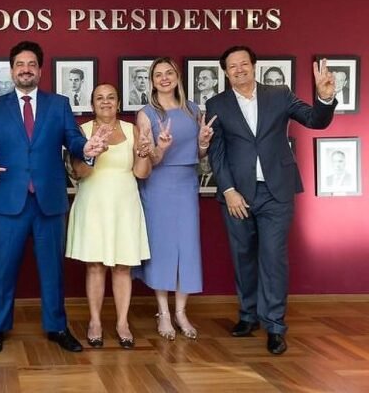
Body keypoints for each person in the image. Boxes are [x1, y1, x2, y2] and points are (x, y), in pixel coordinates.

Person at [0, 40, 109, 354]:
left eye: (31, 64)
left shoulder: (58, 104)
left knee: (52, 271)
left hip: (49, 201)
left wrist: (88, 149)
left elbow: (74, 140)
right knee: (3, 270)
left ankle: (57, 327)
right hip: (9, 202)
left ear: (40, 70)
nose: (25, 69)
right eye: (20, 64)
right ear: (12, 70)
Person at [206, 45, 336, 355]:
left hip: (277, 191)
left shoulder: (279, 94)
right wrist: (228, 190)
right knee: (243, 257)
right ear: (225, 72)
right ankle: (248, 316)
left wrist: (324, 98)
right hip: (237, 194)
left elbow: (315, 121)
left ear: (254, 66)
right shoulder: (216, 104)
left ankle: (275, 326)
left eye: (244, 63)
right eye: (232, 66)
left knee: (273, 258)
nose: (239, 69)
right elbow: (217, 153)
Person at [134, 57, 216, 341]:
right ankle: (164, 313)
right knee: (163, 248)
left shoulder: (193, 109)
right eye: (158, 74)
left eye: (169, 73)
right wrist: (161, 147)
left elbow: (199, 155)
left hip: (186, 183)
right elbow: (149, 160)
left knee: (187, 247)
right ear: (152, 81)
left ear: (177, 76)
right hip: (158, 185)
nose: (164, 78)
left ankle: (181, 312)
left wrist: (203, 142)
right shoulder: (146, 114)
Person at [66, 83, 152, 349]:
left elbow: (141, 173)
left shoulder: (131, 129)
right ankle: (95, 322)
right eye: (99, 98)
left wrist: (144, 153)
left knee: (123, 266)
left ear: (118, 103)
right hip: (93, 203)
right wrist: (93, 153)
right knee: (95, 265)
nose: (105, 102)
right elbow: (79, 173)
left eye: (111, 97)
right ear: (92, 104)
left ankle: (122, 323)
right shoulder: (81, 131)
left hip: (125, 204)